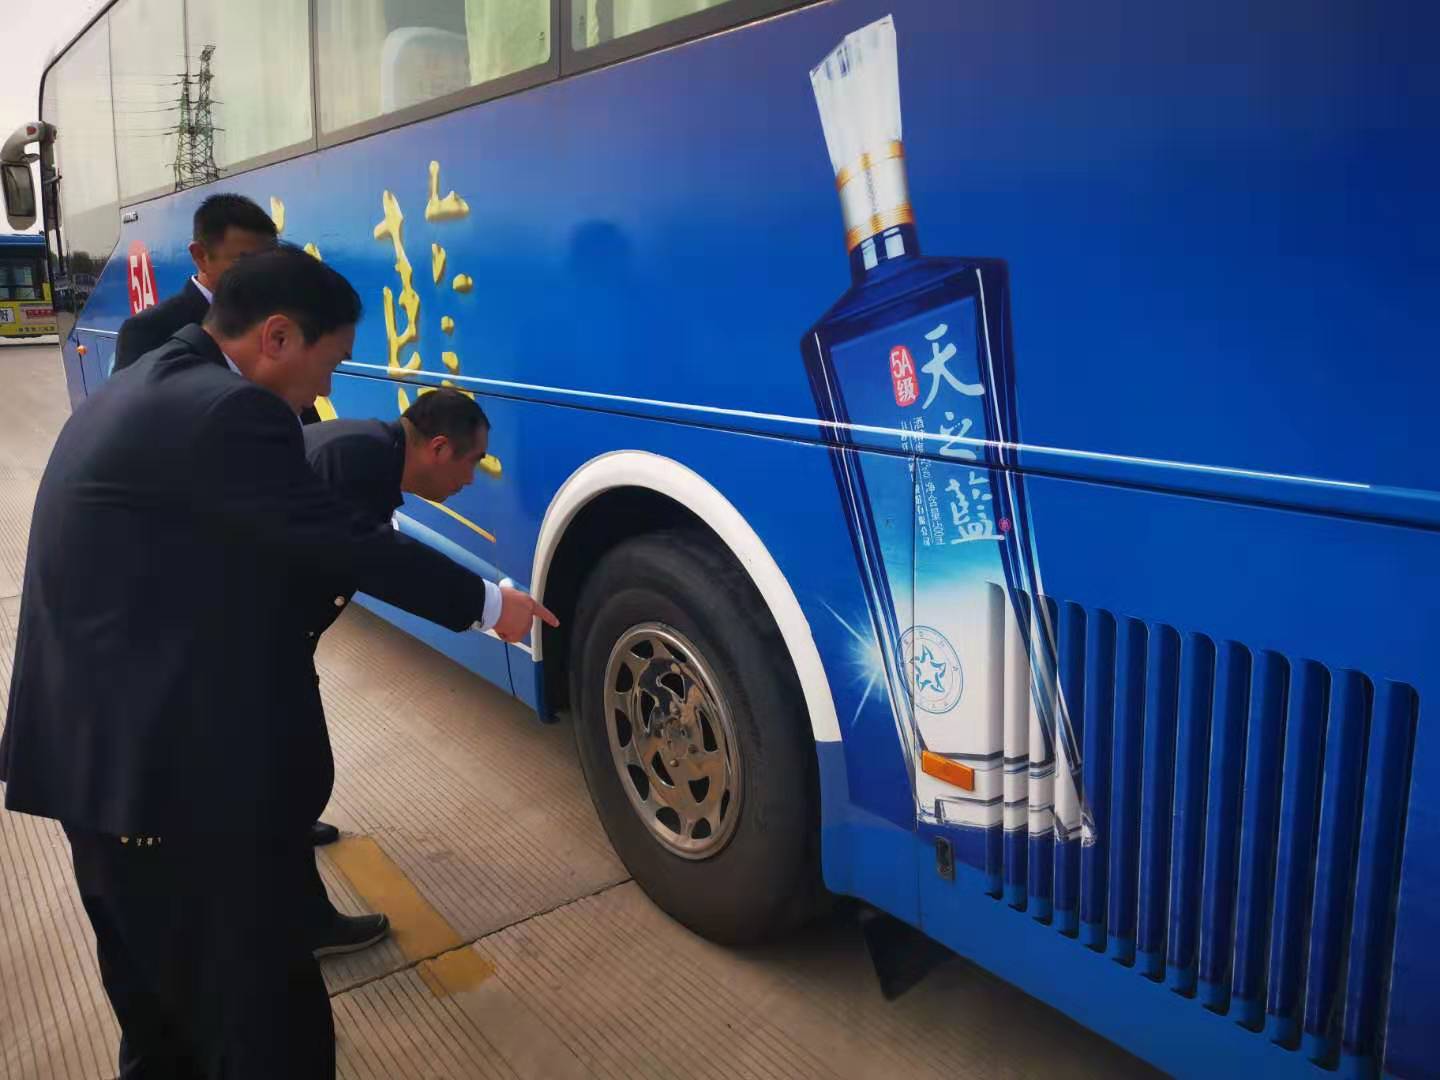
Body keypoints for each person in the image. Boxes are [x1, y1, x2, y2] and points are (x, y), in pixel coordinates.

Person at [0, 245, 556, 1077]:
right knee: (265, 1019)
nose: (325, 390)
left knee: (161, 1019)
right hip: (159, 783)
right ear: (278, 337)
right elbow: (340, 539)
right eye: (330, 362)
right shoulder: (232, 412)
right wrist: (489, 605)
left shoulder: (149, 382)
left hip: (97, 759)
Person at [116, 193, 327, 842]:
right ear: (200, 256)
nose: (258, 274)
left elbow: (304, 419)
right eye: (242, 260)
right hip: (209, 569)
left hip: (276, 560)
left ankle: (287, 816)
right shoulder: (153, 332)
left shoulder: (278, 326)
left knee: (289, 709)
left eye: (266, 259)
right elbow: (143, 457)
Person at [299, 387, 497, 957]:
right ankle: (301, 925)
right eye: (472, 462)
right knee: (290, 773)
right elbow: (377, 559)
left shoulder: (368, 451)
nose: (471, 480)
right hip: (242, 639)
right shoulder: (353, 461)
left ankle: (289, 827)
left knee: (299, 768)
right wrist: (488, 605)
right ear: (439, 448)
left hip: (267, 634)